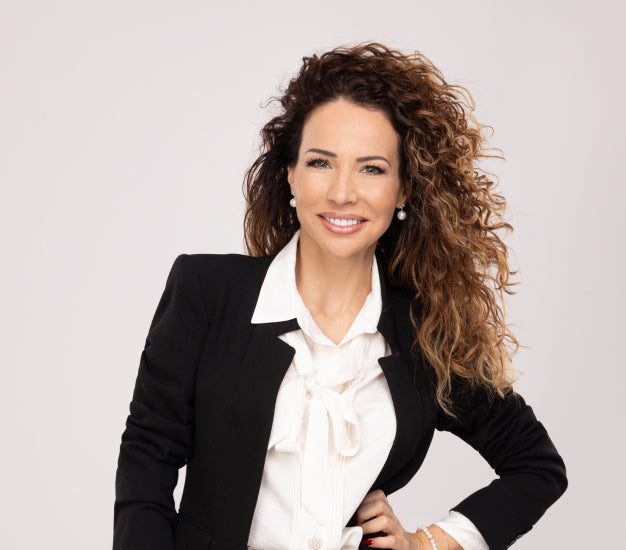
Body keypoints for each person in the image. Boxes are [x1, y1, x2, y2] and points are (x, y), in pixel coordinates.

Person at [113, 42, 567, 550]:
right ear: (290, 174)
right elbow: (147, 459)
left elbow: (535, 466)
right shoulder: (207, 291)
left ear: (403, 190)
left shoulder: (425, 330)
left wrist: (428, 543)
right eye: (320, 162)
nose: (342, 192)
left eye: (371, 168)